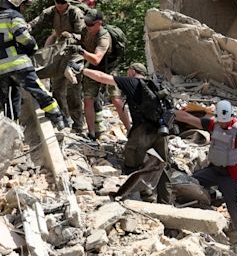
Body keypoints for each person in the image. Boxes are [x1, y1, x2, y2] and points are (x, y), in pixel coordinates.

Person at [68, 61, 170, 202]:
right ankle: (166, 202)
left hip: (142, 132)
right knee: (162, 166)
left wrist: (82, 70)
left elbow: (101, 77)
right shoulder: (154, 85)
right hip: (161, 130)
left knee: (132, 166)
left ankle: (138, 201)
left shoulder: (131, 82)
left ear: (132, 71)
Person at [175, 100, 237, 256]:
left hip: (232, 176)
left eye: (225, 121)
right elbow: (190, 119)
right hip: (214, 171)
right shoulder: (213, 124)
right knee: (190, 182)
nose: (222, 124)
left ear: (231, 117)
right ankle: (214, 197)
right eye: (221, 122)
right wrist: (172, 113)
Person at [0, 0, 65, 130]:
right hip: (18, 63)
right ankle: (58, 118)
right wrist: (33, 47)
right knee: (38, 89)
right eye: (24, 5)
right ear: (17, 1)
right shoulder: (14, 16)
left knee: (10, 100)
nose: (24, 9)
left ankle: (13, 132)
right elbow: (24, 38)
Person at [29, 0, 85, 131]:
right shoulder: (50, 12)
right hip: (60, 52)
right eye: (57, 1)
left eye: (63, 2)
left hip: (75, 53)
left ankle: (78, 125)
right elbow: (35, 24)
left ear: (68, 2)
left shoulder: (75, 13)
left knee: (73, 90)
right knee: (57, 88)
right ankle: (64, 119)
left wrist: (71, 36)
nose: (60, 5)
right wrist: (23, 29)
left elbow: (84, 36)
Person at [71, 9, 131, 140]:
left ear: (99, 23)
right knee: (88, 100)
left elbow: (97, 58)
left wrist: (81, 52)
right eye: (86, 23)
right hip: (93, 68)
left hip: (108, 68)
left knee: (116, 100)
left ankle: (130, 130)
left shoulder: (104, 37)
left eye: (91, 24)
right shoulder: (86, 30)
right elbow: (82, 41)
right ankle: (92, 133)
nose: (88, 26)